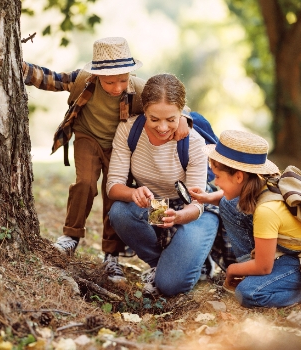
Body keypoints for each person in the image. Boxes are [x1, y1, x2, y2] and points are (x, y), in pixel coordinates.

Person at [22, 37, 190, 282]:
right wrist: (20, 67)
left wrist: (184, 118)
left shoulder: (140, 89)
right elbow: (52, 80)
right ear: (97, 74)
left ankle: (111, 256)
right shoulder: (82, 80)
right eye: (110, 82)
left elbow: (169, 105)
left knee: (115, 194)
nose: (117, 87)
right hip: (87, 138)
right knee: (86, 184)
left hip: (119, 147)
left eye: (123, 80)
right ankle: (71, 236)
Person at [106, 73, 219, 296]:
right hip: (156, 207)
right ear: (144, 110)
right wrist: (133, 193)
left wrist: (178, 217)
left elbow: (197, 204)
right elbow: (113, 186)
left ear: (182, 113)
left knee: (170, 287)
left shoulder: (193, 140)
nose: (163, 127)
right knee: (120, 211)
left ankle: (195, 261)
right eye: (154, 119)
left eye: (171, 119)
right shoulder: (129, 131)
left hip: (194, 210)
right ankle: (163, 264)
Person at [189, 130, 301, 308]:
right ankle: (249, 269)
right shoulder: (263, 184)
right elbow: (229, 197)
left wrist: (233, 270)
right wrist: (208, 198)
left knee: (248, 293)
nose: (215, 183)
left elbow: (264, 267)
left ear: (239, 176)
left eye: (217, 177)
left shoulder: (266, 211)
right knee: (227, 203)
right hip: (283, 250)